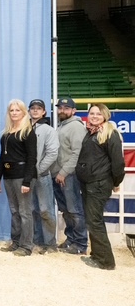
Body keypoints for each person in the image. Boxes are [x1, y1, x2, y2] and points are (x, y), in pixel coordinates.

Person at [76, 104, 125, 270]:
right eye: (92, 113)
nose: (94, 116)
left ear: (105, 115)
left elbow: (118, 163)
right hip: (89, 182)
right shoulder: (91, 132)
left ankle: (106, 261)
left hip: (99, 183)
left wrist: (116, 182)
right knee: (93, 220)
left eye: (98, 113)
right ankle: (96, 255)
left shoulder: (111, 134)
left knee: (94, 221)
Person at [0, 99, 37, 256]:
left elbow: (32, 158)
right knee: (14, 210)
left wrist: (27, 181)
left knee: (25, 212)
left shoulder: (28, 132)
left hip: (22, 175)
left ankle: (27, 246)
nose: (14, 113)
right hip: (8, 175)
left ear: (24, 112)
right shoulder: (6, 133)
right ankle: (16, 242)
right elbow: (2, 156)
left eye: (17, 110)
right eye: (11, 110)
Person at [50, 96, 88, 255]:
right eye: (60, 108)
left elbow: (77, 153)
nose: (62, 110)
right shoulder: (62, 126)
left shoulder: (76, 127)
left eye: (66, 108)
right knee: (66, 210)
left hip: (69, 175)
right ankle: (71, 239)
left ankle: (80, 244)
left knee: (74, 209)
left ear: (74, 111)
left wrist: (64, 172)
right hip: (59, 174)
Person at [28, 99, 60, 254]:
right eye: (33, 108)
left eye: (38, 108)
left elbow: (52, 153)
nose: (35, 110)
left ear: (44, 112)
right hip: (28, 176)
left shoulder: (49, 130)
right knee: (32, 209)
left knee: (46, 210)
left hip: (42, 175)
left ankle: (50, 244)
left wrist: (39, 169)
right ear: (29, 111)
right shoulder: (25, 128)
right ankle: (37, 241)